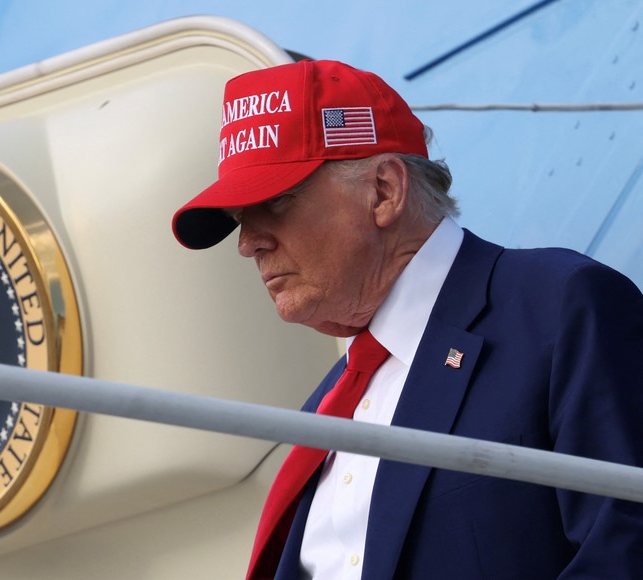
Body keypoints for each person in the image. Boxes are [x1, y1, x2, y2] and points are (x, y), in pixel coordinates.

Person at [171, 59, 643, 579]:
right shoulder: (326, 405)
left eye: (277, 202)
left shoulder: (558, 308)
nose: (247, 243)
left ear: (384, 192)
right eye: (240, 219)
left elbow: (625, 549)